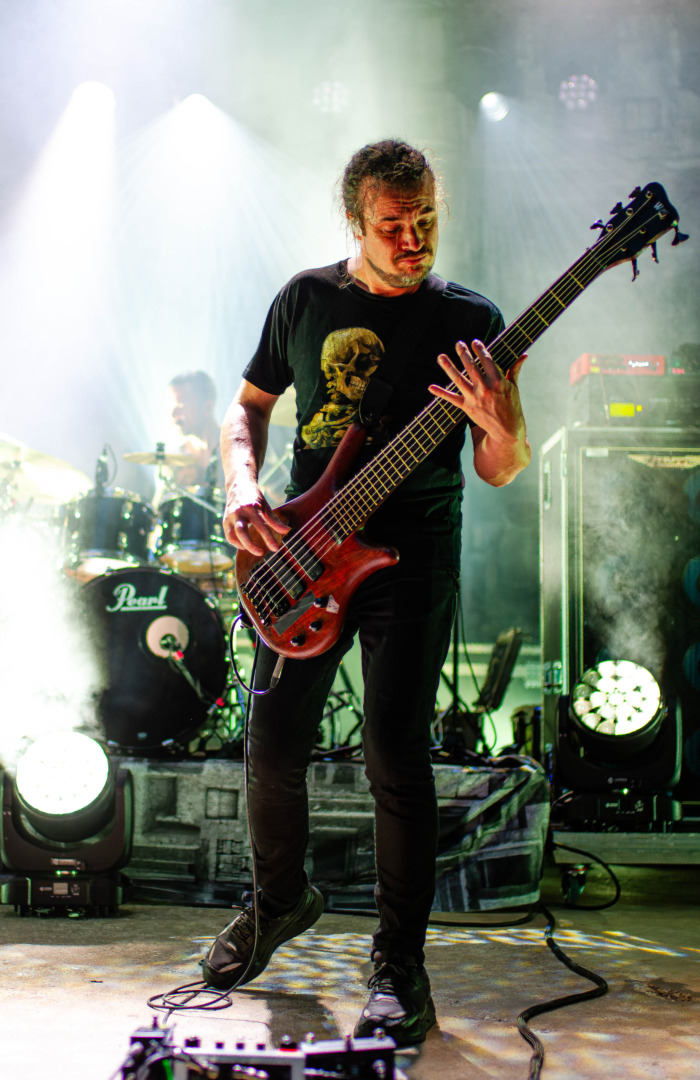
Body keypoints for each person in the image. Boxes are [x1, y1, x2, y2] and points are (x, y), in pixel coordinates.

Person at [202, 139, 530, 1046]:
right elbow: (248, 405)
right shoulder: (305, 299)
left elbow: (500, 468)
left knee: (396, 755)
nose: (413, 238)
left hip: (411, 557)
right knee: (271, 743)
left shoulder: (472, 320)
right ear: (355, 222)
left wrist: (499, 422)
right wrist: (241, 484)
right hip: (306, 549)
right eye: (393, 224)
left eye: (426, 220)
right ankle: (279, 901)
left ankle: (398, 965)